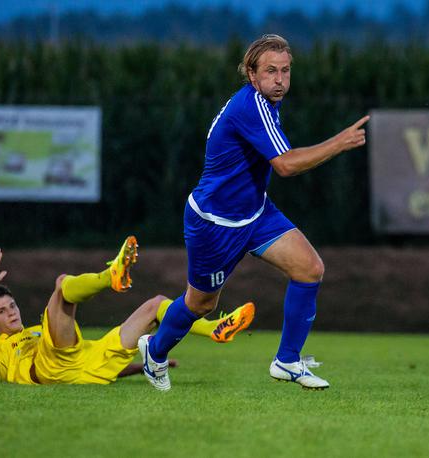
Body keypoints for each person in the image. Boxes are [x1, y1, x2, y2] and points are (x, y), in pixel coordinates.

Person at [138, 34, 369, 391]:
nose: (280, 79)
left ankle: (288, 361)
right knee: (201, 305)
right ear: (251, 73)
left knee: (310, 269)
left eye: (286, 71)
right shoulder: (251, 105)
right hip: (214, 224)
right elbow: (286, 166)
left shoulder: (268, 103)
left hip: (255, 213)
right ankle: (154, 353)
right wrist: (339, 142)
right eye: (271, 71)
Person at [0, 236, 255, 385]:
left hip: (91, 364)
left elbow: (86, 361)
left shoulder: (36, 332)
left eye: (12, 305)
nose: (11, 312)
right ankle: (110, 276)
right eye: (2, 312)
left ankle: (212, 329)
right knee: (60, 286)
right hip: (48, 370)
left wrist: (137, 369)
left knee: (155, 304)